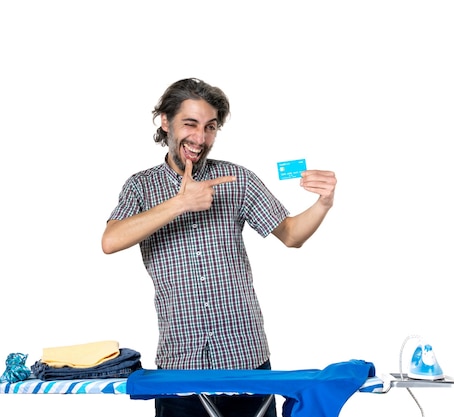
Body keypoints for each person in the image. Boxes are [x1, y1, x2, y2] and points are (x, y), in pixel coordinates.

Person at [101, 78, 337, 417]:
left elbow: (291, 235)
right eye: (190, 124)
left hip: (246, 358)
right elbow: (110, 240)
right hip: (179, 366)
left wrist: (323, 204)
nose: (200, 138)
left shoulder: (237, 179)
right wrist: (179, 203)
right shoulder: (140, 186)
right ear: (165, 122)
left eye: (210, 127)